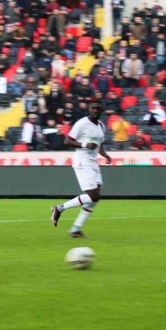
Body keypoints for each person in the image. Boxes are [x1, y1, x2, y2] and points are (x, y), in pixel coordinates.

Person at [50, 102, 112, 238]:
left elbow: (99, 144)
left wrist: (105, 155)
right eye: (93, 108)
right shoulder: (82, 123)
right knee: (93, 196)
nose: (95, 110)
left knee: (95, 199)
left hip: (93, 162)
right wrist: (84, 144)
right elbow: (67, 141)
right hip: (82, 161)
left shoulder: (101, 125)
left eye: (97, 108)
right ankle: (59, 208)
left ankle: (75, 229)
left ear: (101, 110)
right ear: (89, 110)